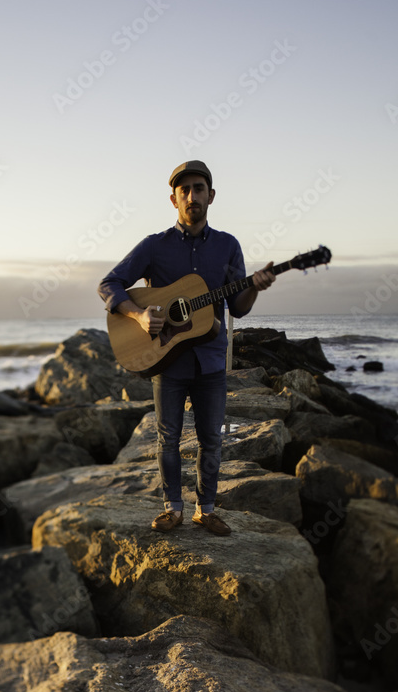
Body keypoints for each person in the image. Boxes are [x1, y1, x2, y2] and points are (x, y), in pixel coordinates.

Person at [98, 160, 275, 536]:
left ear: (211, 196)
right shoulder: (154, 247)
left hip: (210, 360)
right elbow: (109, 284)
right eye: (184, 191)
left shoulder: (228, 246)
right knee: (169, 438)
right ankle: (172, 508)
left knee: (212, 438)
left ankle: (205, 509)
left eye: (199, 189)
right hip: (166, 357)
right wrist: (139, 315)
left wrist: (255, 287)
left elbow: (238, 309)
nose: (192, 196)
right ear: (173, 199)